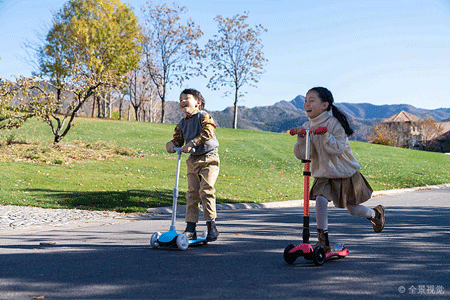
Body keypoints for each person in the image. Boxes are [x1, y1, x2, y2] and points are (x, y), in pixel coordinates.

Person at [292, 87, 385, 252]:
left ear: (325, 105)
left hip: (344, 173)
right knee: (320, 200)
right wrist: (301, 138)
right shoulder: (307, 126)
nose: (307, 104)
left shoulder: (334, 124)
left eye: (312, 100)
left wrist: (324, 135)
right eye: (306, 101)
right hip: (323, 174)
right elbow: (304, 155)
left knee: (354, 209)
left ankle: (376, 214)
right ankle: (323, 242)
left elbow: (338, 149)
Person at [166, 88, 220, 242]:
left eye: (187, 98)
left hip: (209, 158)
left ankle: (211, 226)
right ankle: (191, 228)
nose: (183, 101)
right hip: (193, 160)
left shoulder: (204, 116)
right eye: (181, 99)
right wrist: (172, 144)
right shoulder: (182, 123)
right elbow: (178, 140)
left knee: (206, 191)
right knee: (192, 194)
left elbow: (208, 132)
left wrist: (193, 142)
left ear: (198, 103)